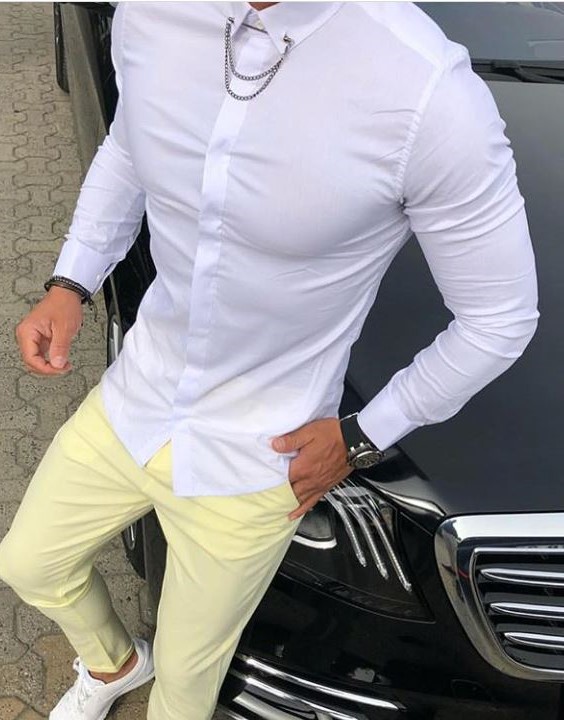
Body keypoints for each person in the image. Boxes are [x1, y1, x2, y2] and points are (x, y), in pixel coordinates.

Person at [0, 1, 539, 719]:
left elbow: (499, 318)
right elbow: (130, 148)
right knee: (29, 563)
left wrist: (363, 435)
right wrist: (72, 281)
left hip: (259, 457)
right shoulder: (150, 13)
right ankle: (116, 664)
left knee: (187, 689)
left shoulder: (424, 88)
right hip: (137, 396)